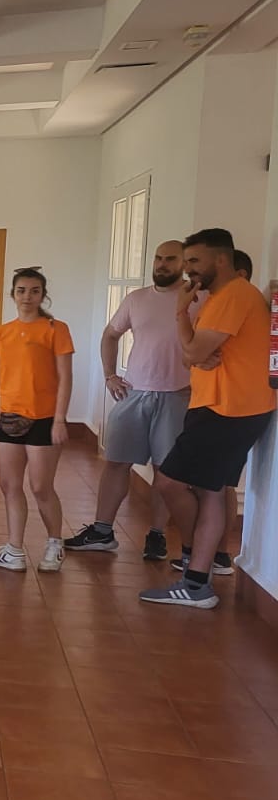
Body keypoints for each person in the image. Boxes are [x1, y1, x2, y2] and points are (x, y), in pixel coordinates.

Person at [141, 228, 276, 609]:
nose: (188, 270)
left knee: (168, 481)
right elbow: (190, 356)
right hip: (225, 406)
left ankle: (193, 559)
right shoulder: (220, 297)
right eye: (186, 262)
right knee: (211, 491)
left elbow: (193, 351)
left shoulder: (233, 295)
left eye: (194, 261)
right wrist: (193, 349)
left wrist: (181, 313)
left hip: (227, 409)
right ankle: (198, 578)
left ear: (220, 259)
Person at [65, 241, 188, 561]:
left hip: (178, 395)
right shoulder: (137, 299)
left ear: (184, 263)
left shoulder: (198, 299)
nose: (161, 264)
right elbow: (110, 334)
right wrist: (109, 375)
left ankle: (157, 535)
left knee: (166, 471)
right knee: (116, 462)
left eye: (170, 259)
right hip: (134, 393)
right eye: (158, 258)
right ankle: (102, 531)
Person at [0, 268, 75, 573]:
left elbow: (65, 377)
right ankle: (14, 549)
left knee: (41, 486)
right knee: (9, 484)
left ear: (43, 295)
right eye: (21, 290)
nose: (27, 297)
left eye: (34, 291)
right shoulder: (3, 332)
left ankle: (54, 544)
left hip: (44, 418)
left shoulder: (55, 329)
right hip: (10, 417)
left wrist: (60, 419)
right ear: (13, 294)